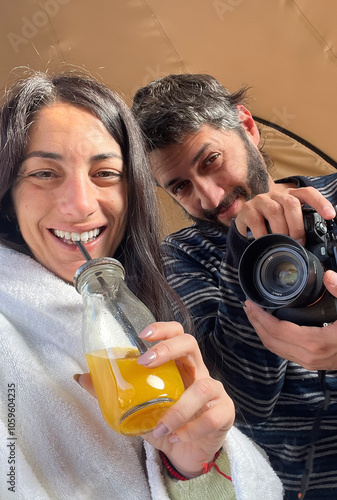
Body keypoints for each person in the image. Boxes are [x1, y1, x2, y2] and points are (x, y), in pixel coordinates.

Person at [0, 70, 284, 500]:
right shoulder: (185, 259)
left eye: (105, 173)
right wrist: (246, 252)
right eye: (44, 173)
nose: (79, 204)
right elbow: (253, 394)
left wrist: (192, 469)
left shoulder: (143, 304)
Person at [132, 73, 337, 499]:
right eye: (181, 187)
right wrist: (242, 249)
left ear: (247, 126)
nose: (210, 198)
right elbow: (242, 403)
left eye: (210, 161)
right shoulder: (179, 257)